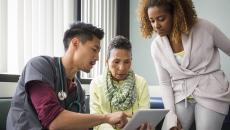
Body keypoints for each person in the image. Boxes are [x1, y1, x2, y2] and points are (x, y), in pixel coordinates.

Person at [6, 22, 129, 130]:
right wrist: (106, 117)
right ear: (75, 43)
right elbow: (53, 121)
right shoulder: (39, 66)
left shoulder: (78, 89)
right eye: (94, 49)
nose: (97, 57)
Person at [137, 0, 230, 130]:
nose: (156, 25)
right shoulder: (156, 46)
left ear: (176, 14)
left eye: (161, 19)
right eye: (152, 21)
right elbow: (165, 83)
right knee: (171, 127)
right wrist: (171, 117)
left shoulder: (204, 27)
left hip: (212, 92)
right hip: (181, 95)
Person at [90, 35, 151, 130]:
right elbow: (96, 122)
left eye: (126, 62)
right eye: (116, 62)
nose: (122, 68)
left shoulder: (141, 83)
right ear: (107, 62)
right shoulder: (96, 84)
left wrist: (130, 124)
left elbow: (144, 118)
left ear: (131, 61)